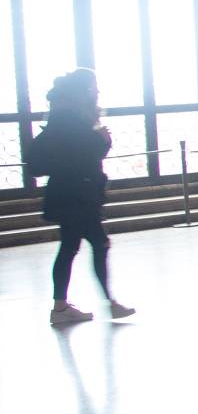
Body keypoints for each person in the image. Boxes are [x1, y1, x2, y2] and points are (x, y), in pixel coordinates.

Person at [31, 70, 133, 326]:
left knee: (74, 246)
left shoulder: (64, 115)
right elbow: (84, 154)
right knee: (95, 244)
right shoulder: (71, 119)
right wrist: (102, 140)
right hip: (77, 195)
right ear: (83, 90)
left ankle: (65, 306)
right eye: (92, 87)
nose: (96, 91)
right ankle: (104, 304)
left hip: (71, 194)